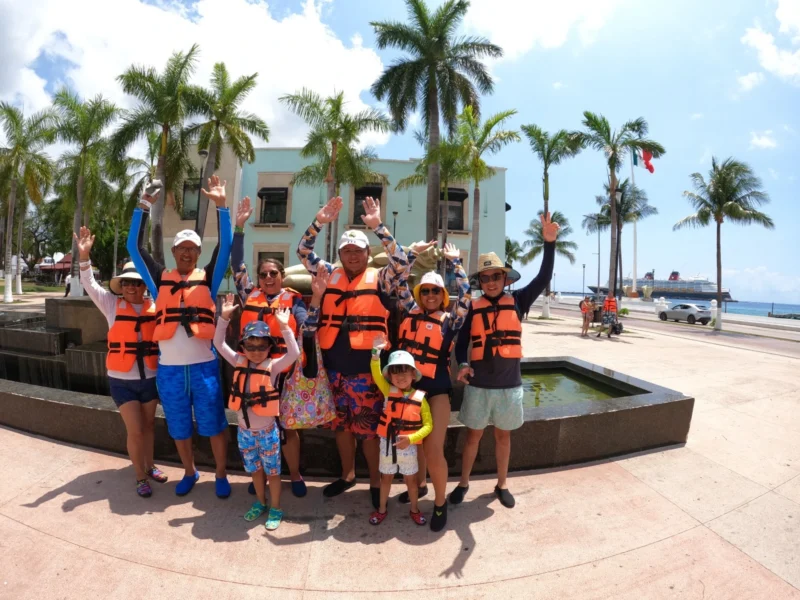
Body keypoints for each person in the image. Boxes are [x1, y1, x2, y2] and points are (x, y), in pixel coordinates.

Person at [296, 195, 409, 509]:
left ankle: (374, 480)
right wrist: (319, 221)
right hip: (333, 366)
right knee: (340, 428)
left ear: (367, 253)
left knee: (368, 431)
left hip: (367, 369)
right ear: (340, 254)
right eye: (347, 250)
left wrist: (378, 227)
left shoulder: (381, 278)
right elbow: (303, 251)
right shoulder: (327, 273)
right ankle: (347, 475)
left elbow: (402, 263)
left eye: (358, 251)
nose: (352, 256)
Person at [126, 176, 233, 498]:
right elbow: (134, 246)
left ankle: (221, 474)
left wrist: (222, 208)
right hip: (170, 370)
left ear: (199, 253)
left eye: (193, 249)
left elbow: (226, 246)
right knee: (179, 427)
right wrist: (143, 206)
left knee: (214, 425)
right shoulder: (160, 279)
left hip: (203, 368)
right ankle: (189, 471)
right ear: (173, 251)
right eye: (182, 248)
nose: (187, 253)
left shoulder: (209, 278)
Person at [450, 212, 558, 509]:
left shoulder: (520, 300)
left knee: (502, 438)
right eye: (485, 277)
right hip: (479, 386)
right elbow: (461, 344)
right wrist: (462, 365)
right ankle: (463, 483)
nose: (491, 281)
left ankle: (502, 484)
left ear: (504, 278)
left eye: (496, 276)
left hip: (509, 386)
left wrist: (549, 245)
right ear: (480, 281)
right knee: (472, 438)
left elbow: (544, 277)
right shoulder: (473, 307)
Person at [75, 226, 167, 498]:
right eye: (125, 282)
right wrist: (84, 257)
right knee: (136, 430)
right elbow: (89, 284)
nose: (129, 286)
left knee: (150, 426)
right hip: (122, 381)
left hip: (150, 378)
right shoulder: (111, 305)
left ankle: (149, 466)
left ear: (143, 285)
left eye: (135, 282)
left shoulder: (156, 305)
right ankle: (140, 477)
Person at [230, 196, 309, 498]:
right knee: (254, 428)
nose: (267, 278)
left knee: (287, 429)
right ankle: (259, 478)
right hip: (252, 373)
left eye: (273, 273)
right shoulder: (249, 295)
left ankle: (295, 474)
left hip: (283, 374)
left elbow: (307, 325)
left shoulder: (293, 301)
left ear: (282, 276)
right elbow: (236, 263)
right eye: (262, 274)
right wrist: (239, 227)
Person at [394, 242, 471, 532]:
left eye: (435, 291)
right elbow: (399, 279)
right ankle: (421, 486)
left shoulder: (451, 321)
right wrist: (412, 254)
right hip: (409, 389)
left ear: (442, 296)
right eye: (424, 291)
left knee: (434, 446)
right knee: (414, 443)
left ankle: (440, 503)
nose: (429, 295)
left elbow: (467, 296)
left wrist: (456, 262)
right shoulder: (410, 310)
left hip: (437, 389)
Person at [214, 295, 299, 530]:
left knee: (273, 473)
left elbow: (294, 354)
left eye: (261, 346)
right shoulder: (238, 360)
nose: (255, 351)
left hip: (267, 433)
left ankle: (276, 507)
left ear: (269, 347)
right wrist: (223, 318)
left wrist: (284, 326)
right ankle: (260, 503)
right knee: (255, 471)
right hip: (244, 432)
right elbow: (219, 344)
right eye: (250, 346)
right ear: (243, 347)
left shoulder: (273, 367)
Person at [369, 335, 432, 526]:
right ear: (390, 376)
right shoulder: (388, 391)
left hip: (409, 447)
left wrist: (412, 438)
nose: (401, 377)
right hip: (387, 444)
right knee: (385, 478)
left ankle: (414, 509)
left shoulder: (421, 399)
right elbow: (376, 373)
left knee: (411, 481)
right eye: (396, 373)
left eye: (405, 371)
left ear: (414, 374)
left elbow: (429, 426)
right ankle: (381, 509)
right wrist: (375, 353)